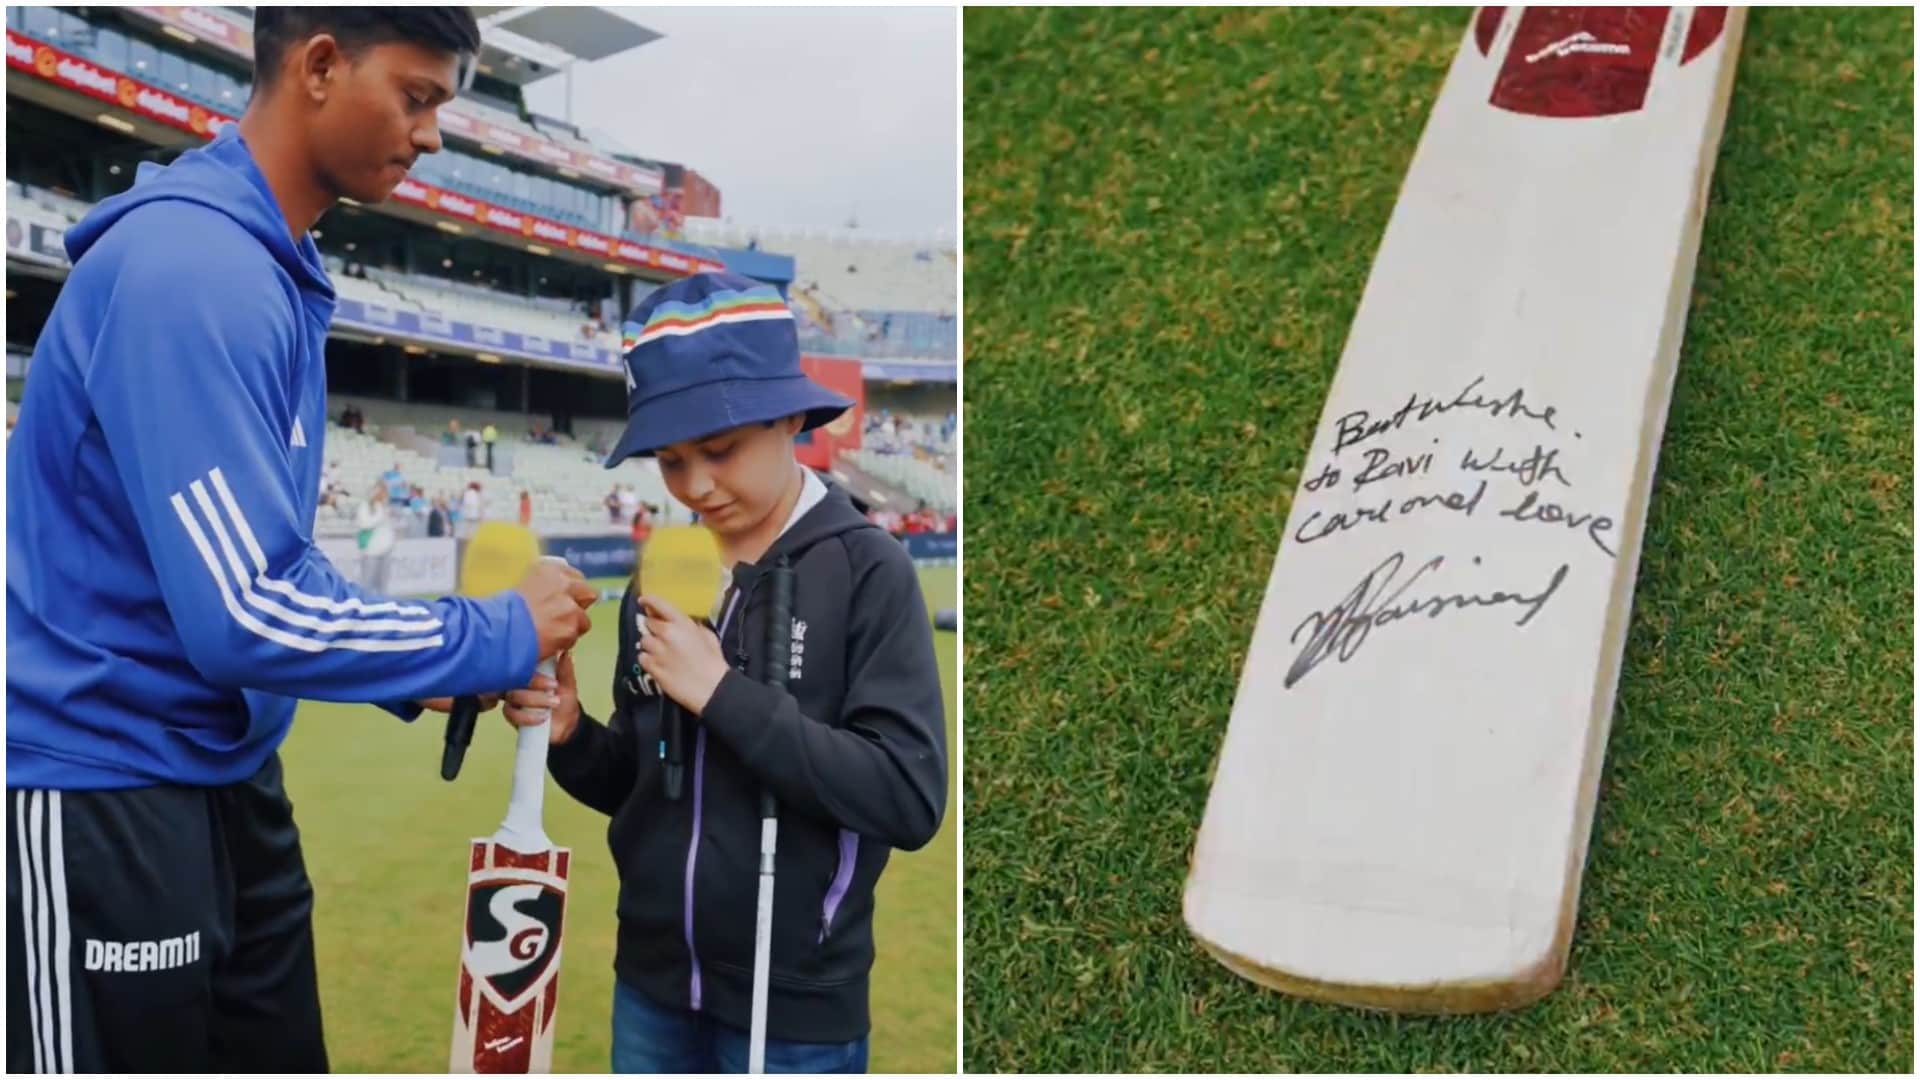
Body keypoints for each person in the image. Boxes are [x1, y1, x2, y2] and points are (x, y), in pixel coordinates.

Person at [3, 9, 598, 1073]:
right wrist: (493, 636)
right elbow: (241, 611)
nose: (430, 136)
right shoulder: (193, 270)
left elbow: (283, 566)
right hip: (102, 787)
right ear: (321, 65)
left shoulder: (271, 270)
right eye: (416, 97)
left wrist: (429, 676)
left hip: (226, 780)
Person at [498, 272, 947, 1074]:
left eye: (719, 450)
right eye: (670, 460)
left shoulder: (868, 569)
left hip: (798, 1016)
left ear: (788, 418)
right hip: (650, 990)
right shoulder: (662, 574)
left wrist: (721, 695)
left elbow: (907, 796)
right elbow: (643, 784)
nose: (696, 486)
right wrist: (569, 736)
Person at [354, 483, 398, 591]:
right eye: (382, 492)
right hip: (371, 551)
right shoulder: (366, 506)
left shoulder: (385, 507)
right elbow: (364, 524)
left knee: (383, 586)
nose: (384, 495)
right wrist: (379, 516)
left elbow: (389, 528)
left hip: (386, 550)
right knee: (367, 584)